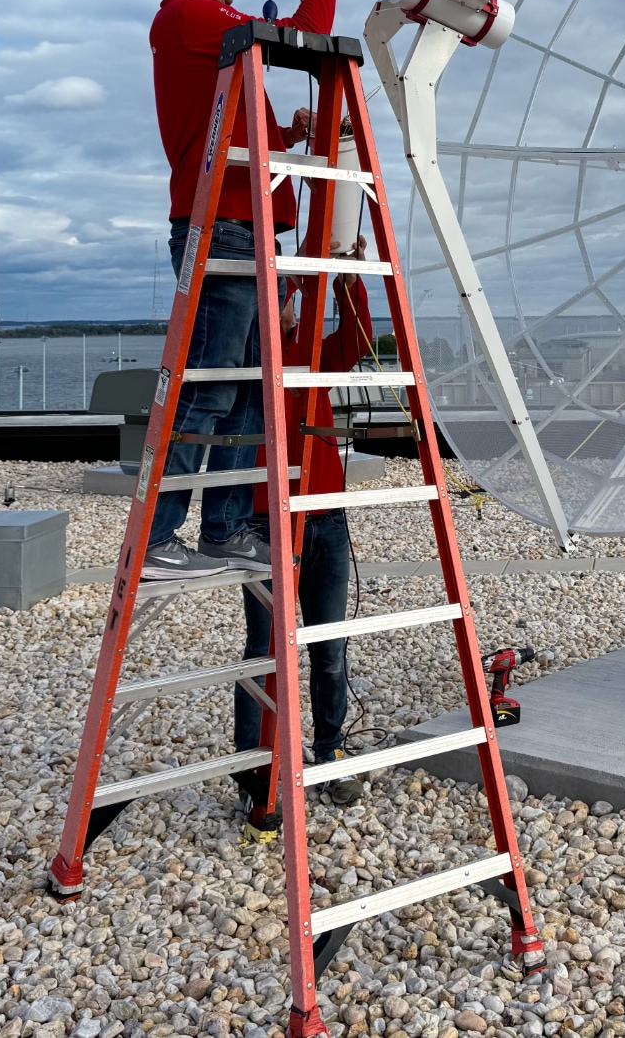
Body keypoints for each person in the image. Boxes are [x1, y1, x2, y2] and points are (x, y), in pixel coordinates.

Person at [138, 0, 345, 580]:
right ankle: (159, 538)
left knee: (252, 388)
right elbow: (308, 36)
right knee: (213, 384)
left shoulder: (207, 35)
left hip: (246, 226)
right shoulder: (186, 19)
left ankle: (223, 530)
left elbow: (229, 123)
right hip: (223, 226)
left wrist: (286, 127)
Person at [232, 255, 373, 837]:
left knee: (328, 648)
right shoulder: (251, 359)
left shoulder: (315, 356)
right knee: (264, 651)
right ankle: (255, 774)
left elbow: (359, 337)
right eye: (281, 295)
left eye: (290, 296)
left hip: (326, 520)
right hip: (268, 523)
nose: (288, 305)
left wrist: (346, 278)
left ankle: (329, 752)